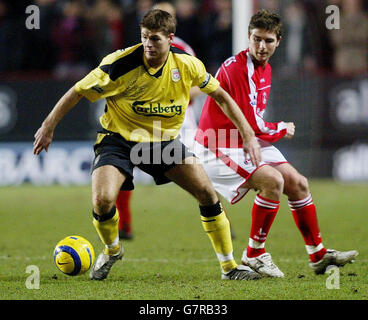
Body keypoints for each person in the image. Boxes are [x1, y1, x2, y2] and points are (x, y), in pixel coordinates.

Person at [33, 9, 262, 281]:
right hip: (118, 139)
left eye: (155, 38)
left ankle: (229, 267)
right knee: (103, 200)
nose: (149, 45)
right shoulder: (119, 64)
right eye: (144, 38)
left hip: (162, 141)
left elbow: (221, 96)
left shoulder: (187, 64)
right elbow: (77, 91)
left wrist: (247, 134)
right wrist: (48, 127)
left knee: (207, 194)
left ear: (170, 39)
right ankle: (112, 249)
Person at [194, 9, 358, 278]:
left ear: (278, 41)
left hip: (243, 140)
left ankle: (317, 254)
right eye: (256, 39)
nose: (261, 46)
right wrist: (282, 128)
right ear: (248, 37)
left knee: (298, 183)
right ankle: (254, 253)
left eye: (268, 41)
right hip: (218, 143)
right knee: (273, 181)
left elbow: (252, 124)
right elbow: (250, 122)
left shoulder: (265, 69)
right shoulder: (238, 69)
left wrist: (267, 132)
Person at [115, 1, 201, 241]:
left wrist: (173, 96)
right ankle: (125, 225)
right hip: (146, 122)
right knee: (123, 165)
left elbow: (199, 86)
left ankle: (218, 215)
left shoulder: (184, 51)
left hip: (181, 122)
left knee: (199, 174)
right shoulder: (136, 53)